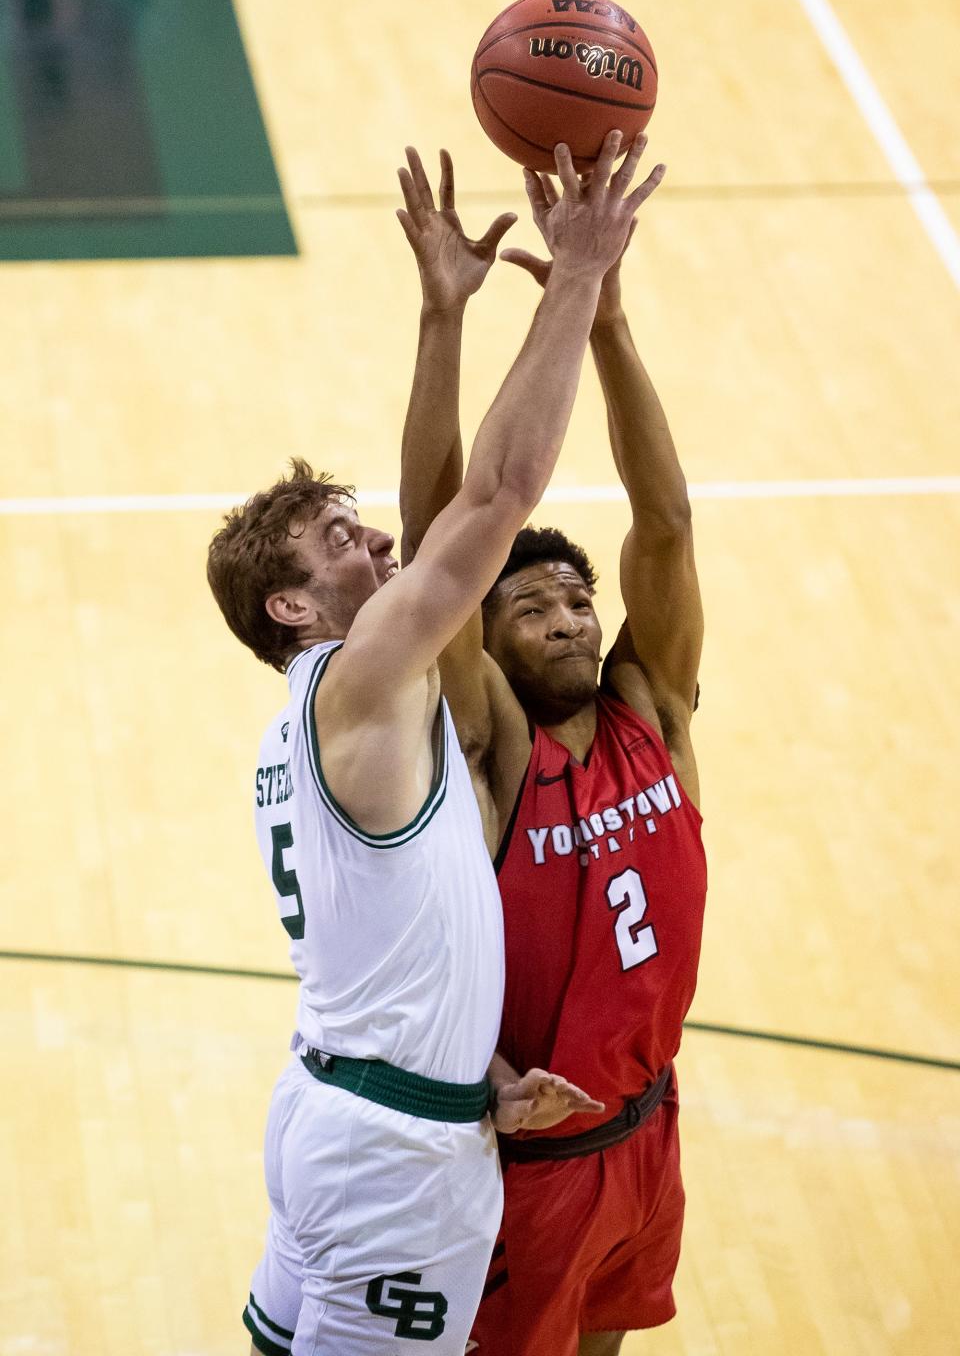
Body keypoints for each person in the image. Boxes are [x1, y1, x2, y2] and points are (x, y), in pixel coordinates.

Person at [206, 129, 656, 1356]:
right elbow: (496, 495)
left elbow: (390, 946)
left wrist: (441, 317)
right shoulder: (359, 685)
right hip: (394, 1165)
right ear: (291, 608)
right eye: (341, 544)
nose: (381, 550)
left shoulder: (318, 722)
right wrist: (577, 278)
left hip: (343, 1106)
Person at [397, 136, 705, 1356]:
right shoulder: (501, 753)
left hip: (648, 1133)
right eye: (532, 608)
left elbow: (667, 525)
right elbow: (439, 547)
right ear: (491, 638)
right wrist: (447, 322)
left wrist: (612, 321)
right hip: (527, 1163)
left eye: (576, 599)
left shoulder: (654, 717)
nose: (571, 617)